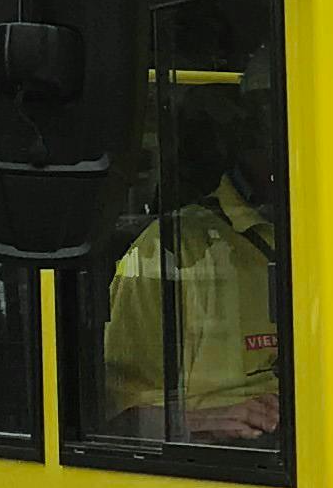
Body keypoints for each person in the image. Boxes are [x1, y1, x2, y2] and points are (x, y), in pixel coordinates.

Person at [103, 75, 285, 443]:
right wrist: (202, 421)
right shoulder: (168, 250)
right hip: (226, 459)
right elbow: (115, 418)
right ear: (246, 142)